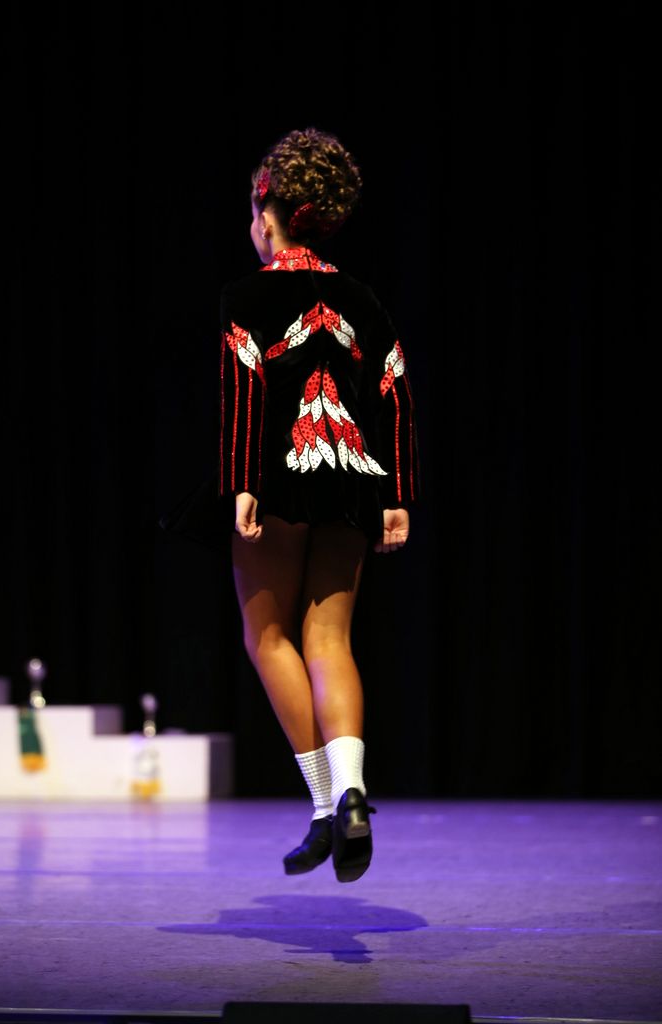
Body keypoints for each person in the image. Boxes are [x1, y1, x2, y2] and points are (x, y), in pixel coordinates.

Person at [159, 126, 421, 883]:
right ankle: (349, 796)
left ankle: (324, 803)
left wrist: (242, 480)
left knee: (266, 635)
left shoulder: (247, 295)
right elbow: (395, 392)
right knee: (329, 639)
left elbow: (243, 389)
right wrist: (398, 492)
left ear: (264, 209)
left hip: (278, 474)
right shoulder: (362, 299)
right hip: (352, 475)